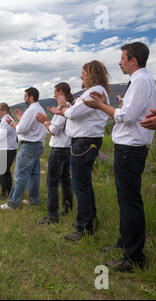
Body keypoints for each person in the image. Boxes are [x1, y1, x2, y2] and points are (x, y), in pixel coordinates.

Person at [83, 42, 156, 272]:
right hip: (128, 148)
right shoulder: (140, 81)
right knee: (125, 200)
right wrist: (117, 105)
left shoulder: (141, 81)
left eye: (122, 58)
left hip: (130, 150)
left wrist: (100, 105)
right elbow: (132, 112)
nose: (119, 62)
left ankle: (134, 257)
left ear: (133, 60)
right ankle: (125, 242)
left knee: (130, 202)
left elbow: (126, 116)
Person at [49, 60, 110, 241]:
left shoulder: (93, 92)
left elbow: (73, 114)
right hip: (85, 142)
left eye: (83, 72)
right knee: (84, 184)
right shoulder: (95, 91)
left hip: (84, 143)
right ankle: (90, 219)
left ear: (91, 73)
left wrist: (64, 109)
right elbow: (74, 111)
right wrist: (66, 109)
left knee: (80, 186)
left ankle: (84, 228)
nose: (81, 76)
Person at [0, 87, 46, 210]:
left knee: (20, 174)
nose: (23, 99)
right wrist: (20, 119)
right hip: (38, 144)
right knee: (33, 174)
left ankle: (13, 203)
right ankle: (33, 199)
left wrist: (11, 123)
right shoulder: (39, 109)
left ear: (31, 97)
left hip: (29, 145)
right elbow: (30, 127)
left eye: (25, 96)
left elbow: (20, 129)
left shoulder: (31, 110)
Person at [35, 82, 74, 224]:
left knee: (52, 183)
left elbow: (54, 130)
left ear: (61, 93)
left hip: (58, 149)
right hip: (67, 148)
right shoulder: (70, 107)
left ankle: (52, 216)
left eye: (56, 92)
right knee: (65, 181)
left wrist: (45, 122)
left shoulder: (63, 108)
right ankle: (67, 208)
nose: (54, 95)